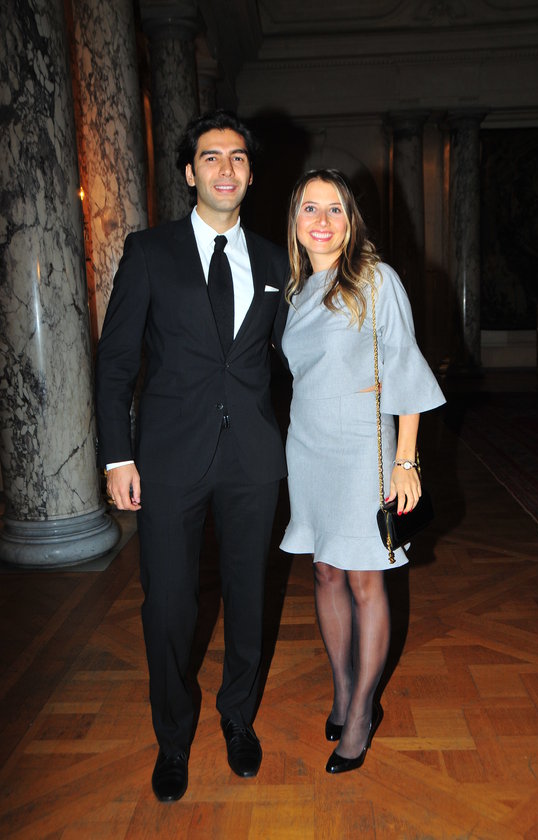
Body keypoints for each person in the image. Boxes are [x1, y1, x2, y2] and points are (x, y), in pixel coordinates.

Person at [95, 110, 289, 801]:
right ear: (189, 172)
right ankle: (173, 738)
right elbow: (115, 361)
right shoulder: (150, 252)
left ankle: (238, 717)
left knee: (248, 594)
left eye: (237, 158)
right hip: (169, 459)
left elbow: (295, 355)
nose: (225, 169)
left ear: (251, 173)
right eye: (211, 157)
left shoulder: (276, 260)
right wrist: (117, 457)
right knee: (170, 606)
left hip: (252, 460)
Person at [279, 169, 445, 774]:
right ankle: (344, 689)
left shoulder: (376, 279)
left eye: (335, 209)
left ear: (351, 221)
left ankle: (360, 714)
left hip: (362, 447)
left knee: (365, 579)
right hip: (307, 445)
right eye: (309, 208)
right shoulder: (296, 290)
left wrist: (406, 459)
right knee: (325, 570)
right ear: (295, 222)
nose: (322, 221)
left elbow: (404, 365)